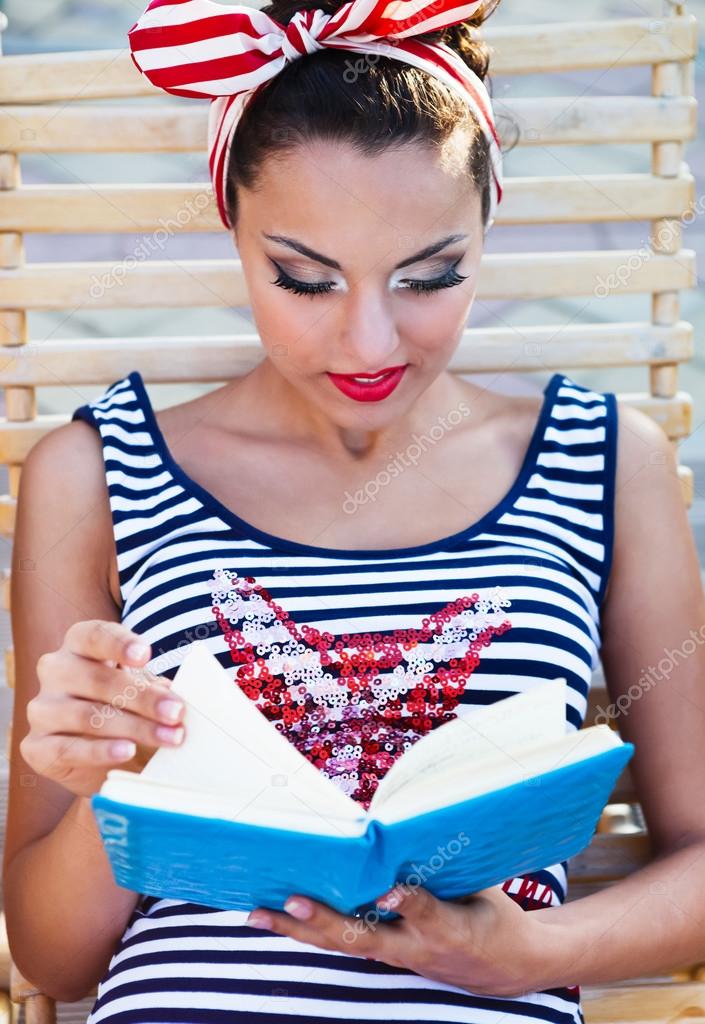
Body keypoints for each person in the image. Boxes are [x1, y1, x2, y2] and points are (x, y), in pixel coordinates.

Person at [5, 0, 705, 1020]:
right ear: (231, 229)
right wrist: (126, 778)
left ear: (485, 230)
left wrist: (527, 952)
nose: (370, 342)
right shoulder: (97, 470)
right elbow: (51, 956)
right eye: (303, 279)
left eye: (431, 277)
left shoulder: (605, 462)